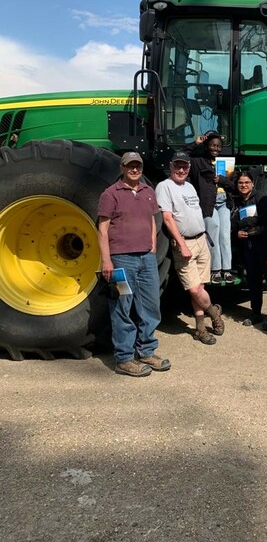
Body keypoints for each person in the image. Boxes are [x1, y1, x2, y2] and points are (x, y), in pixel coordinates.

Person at [97, 151, 170, 377]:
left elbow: (151, 220)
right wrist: (107, 260)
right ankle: (124, 358)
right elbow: (102, 229)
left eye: (138, 165)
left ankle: (146, 351)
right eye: (130, 166)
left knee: (151, 306)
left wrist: (153, 248)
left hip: (146, 259)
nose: (134, 169)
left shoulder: (148, 192)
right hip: (121, 260)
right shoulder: (110, 194)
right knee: (122, 307)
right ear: (122, 168)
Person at [155, 151, 224, 345]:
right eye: (177, 165)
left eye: (184, 166)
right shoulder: (164, 187)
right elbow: (168, 218)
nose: (181, 169)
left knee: (200, 287)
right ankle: (215, 314)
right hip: (185, 243)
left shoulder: (190, 187)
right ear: (171, 166)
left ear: (189, 168)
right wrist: (182, 245)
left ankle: (200, 329)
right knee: (193, 289)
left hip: (201, 240)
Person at [232, 171, 267, 330]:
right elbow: (234, 225)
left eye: (246, 182)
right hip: (248, 248)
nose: (243, 185)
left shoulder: (262, 199)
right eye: (240, 183)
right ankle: (256, 313)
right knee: (253, 282)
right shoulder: (237, 201)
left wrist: (250, 225)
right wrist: (237, 233)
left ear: (253, 183)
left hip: (264, 247)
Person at [186, 132, 235, 284]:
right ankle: (215, 270)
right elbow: (180, 155)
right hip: (208, 202)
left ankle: (226, 269)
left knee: (225, 235)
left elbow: (233, 186)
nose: (216, 148)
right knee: (213, 231)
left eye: (218, 146)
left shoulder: (225, 163)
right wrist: (196, 143)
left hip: (224, 201)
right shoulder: (197, 162)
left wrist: (223, 180)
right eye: (213, 145)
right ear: (207, 146)